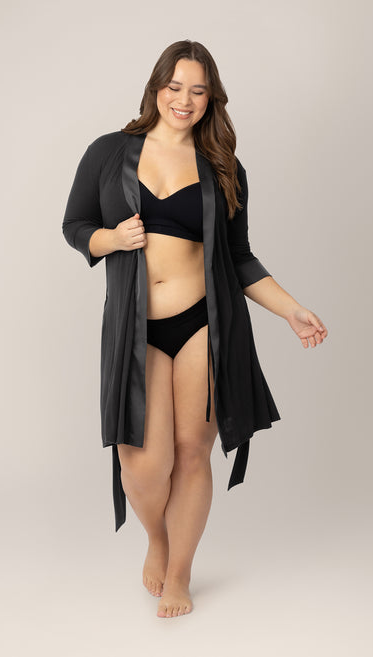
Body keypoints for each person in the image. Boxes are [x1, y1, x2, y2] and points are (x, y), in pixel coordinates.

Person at [62, 39, 328, 619]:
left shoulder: (223, 167)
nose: (184, 99)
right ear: (156, 87)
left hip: (205, 323)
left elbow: (239, 258)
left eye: (198, 90)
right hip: (136, 328)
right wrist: (111, 239)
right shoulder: (109, 151)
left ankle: (179, 572)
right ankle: (157, 538)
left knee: (191, 451)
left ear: (212, 98)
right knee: (142, 464)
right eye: (175, 86)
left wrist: (290, 309)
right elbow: (75, 224)